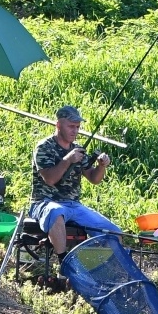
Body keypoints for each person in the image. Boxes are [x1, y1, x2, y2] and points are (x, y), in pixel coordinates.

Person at [31, 105, 117, 259]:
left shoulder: (78, 150)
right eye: (71, 126)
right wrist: (68, 160)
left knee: (114, 233)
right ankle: (64, 261)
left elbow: (94, 178)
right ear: (58, 125)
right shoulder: (44, 147)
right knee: (55, 212)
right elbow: (50, 179)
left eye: (77, 127)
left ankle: (94, 265)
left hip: (73, 205)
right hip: (44, 202)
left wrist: (101, 166)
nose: (75, 131)